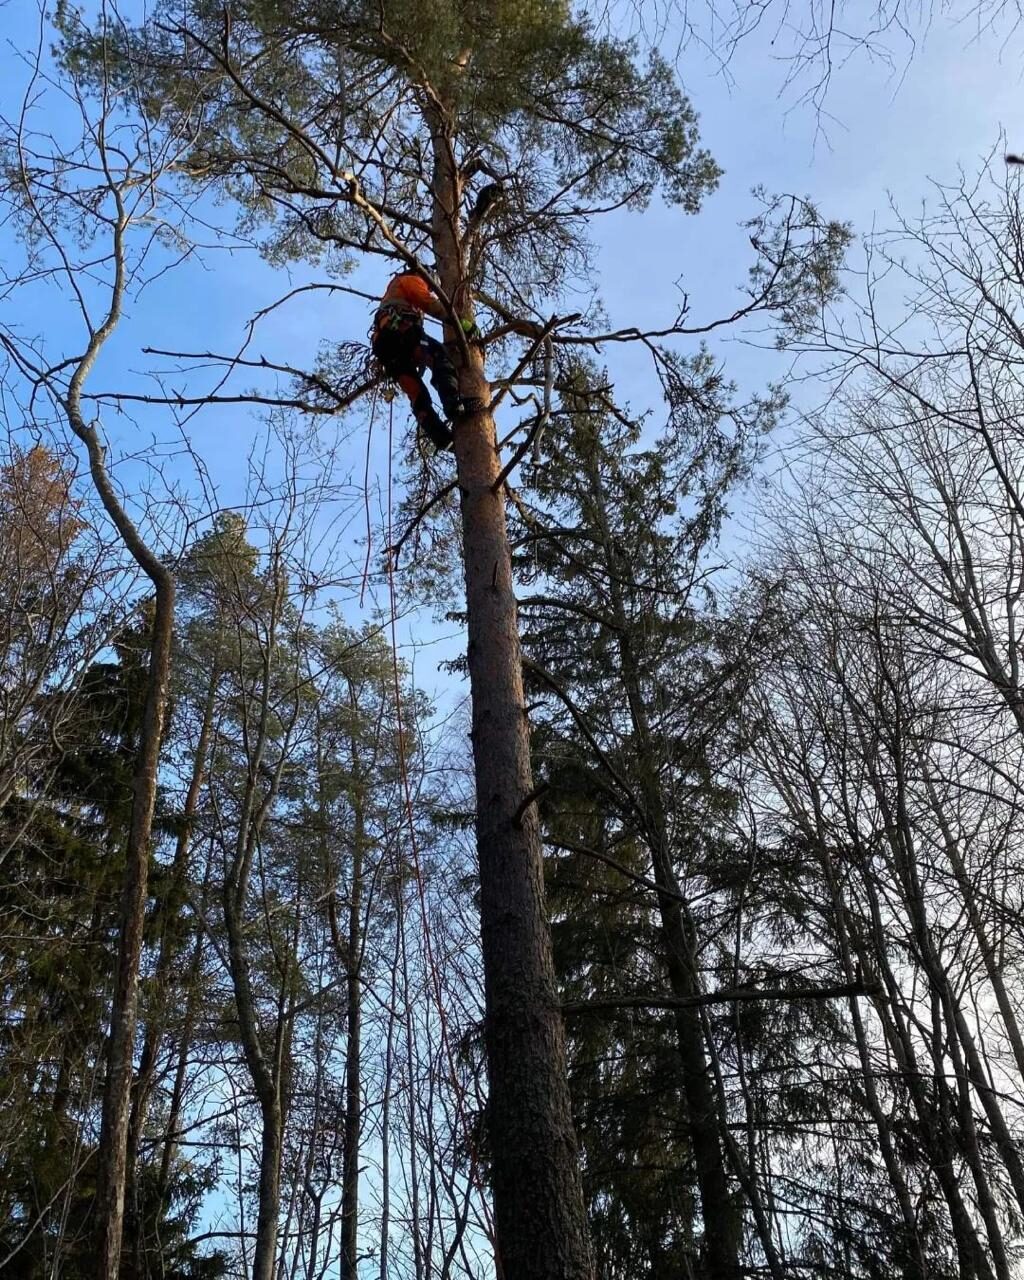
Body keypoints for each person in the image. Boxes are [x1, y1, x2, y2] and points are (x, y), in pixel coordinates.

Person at [371, 272, 481, 451]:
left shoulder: (393, 293)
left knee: (416, 394)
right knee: (440, 356)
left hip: (386, 348)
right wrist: (461, 324)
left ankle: (442, 439)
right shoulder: (411, 280)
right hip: (400, 333)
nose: (429, 289)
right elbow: (429, 303)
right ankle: (454, 404)